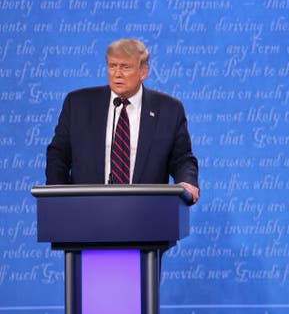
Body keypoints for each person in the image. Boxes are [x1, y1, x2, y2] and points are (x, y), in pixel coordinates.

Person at [46, 38, 199, 203]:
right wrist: (59, 197)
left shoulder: (169, 110)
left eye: (125, 67)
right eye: (112, 66)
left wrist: (186, 181)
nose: (117, 73)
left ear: (143, 72)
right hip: (86, 210)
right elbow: (58, 155)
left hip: (147, 211)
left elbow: (182, 158)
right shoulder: (78, 105)